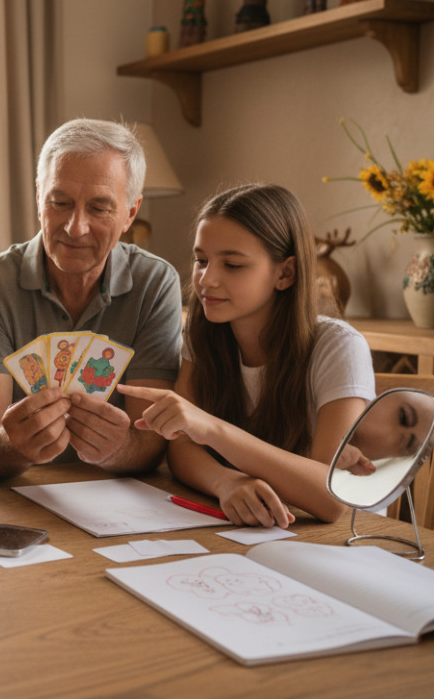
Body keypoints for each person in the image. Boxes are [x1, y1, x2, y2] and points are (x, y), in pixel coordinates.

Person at [118, 183, 375, 527]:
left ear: (285, 273)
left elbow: (331, 497)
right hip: (265, 530)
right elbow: (181, 449)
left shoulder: (338, 346)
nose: (207, 280)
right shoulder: (205, 335)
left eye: (233, 265)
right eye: (201, 260)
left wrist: (210, 429)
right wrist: (226, 481)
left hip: (352, 541)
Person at [0, 119, 183, 478]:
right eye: (59, 202)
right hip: (8, 487)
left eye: (99, 208)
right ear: (38, 197)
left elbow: (150, 442)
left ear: (131, 213)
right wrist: (12, 444)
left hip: (110, 493)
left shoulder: (154, 282)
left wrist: (118, 448)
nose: (75, 227)